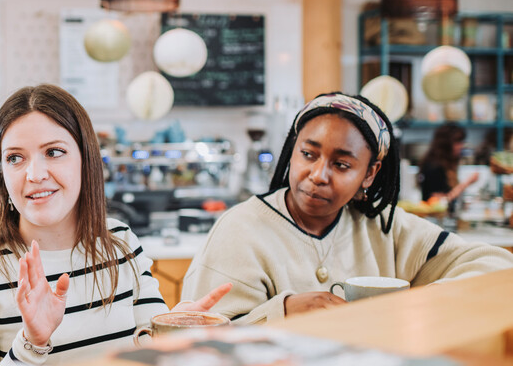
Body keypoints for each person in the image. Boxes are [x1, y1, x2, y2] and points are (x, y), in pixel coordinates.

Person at [0, 84, 231, 366]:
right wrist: (32, 342)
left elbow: (146, 360)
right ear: (2, 175)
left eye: (53, 152)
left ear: (85, 160)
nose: (34, 174)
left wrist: (169, 334)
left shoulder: (120, 243)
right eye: (15, 158)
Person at [181, 93, 513, 324]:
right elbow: (201, 338)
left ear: (370, 173)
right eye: (308, 154)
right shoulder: (241, 231)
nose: (317, 175)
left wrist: (417, 303)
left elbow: (498, 266)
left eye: (341, 164)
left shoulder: (384, 226)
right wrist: (281, 311)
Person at [417, 123, 478, 202]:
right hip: (433, 214)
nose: (461, 146)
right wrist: (467, 182)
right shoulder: (433, 166)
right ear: (446, 144)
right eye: (458, 142)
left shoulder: (446, 165)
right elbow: (439, 201)